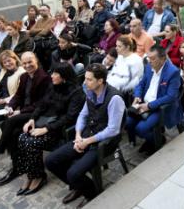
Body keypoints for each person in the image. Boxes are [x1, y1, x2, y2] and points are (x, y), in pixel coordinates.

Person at [45, 63, 125, 207]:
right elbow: (83, 115)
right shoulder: (90, 91)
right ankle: (80, 187)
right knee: (51, 161)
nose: (84, 82)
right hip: (86, 137)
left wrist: (87, 141)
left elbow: (113, 130)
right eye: (85, 78)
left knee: (73, 173)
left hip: (103, 144)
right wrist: (77, 135)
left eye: (89, 79)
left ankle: (92, 194)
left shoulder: (114, 99)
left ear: (100, 81)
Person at [0, 52, 52, 181]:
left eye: (30, 62)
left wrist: (20, 112)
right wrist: (10, 106)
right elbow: (18, 96)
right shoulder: (24, 77)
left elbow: (40, 104)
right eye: (25, 63)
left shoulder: (44, 78)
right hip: (24, 112)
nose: (27, 65)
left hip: (37, 114)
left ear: (36, 61)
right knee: (12, 131)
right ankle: (17, 167)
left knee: (10, 121)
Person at [13, 63, 85, 196]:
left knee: (31, 142)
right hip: (45, 121)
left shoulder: (76, 92)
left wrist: (46, 129)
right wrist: (32, 119)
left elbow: (69, 118)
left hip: (59, 128)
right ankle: (31, 174)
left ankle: (39, 177)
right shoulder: (53, 86)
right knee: (22, 137)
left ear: (63, 77)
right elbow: (42, 104)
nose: (51, 76)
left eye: (55, 74)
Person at [126, 45, 182, 153]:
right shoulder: (148, 67)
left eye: (153, 59)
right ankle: (152, 140)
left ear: (163, 59)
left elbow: (171, 96)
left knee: (140, 129)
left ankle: (158, 140)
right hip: (143, 103)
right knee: (128, 122)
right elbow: (140, 85)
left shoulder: (172, 72)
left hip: (159, 107)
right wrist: (137, 97)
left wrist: (149, 106)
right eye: (148, 58)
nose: (149, 61)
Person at [107, 35, 144, 101]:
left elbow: (131, 82)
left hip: (121, 92)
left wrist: (111, 87)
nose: (116, 48)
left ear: (127, 47)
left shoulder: (136, 60)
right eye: (116, 45)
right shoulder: (120, 57)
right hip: (111, 86)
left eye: (119, 46)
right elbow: (113, 73)